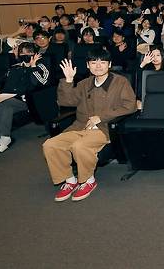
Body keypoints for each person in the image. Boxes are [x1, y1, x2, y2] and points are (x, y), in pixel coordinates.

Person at [42, 48, 136, 201]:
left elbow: (130, 106)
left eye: (102, 62)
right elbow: (66, 101)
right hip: (79, 126)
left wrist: (102, 117)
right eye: (94, 62)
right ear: (88, 65)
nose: (98, 66)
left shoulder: (120, 82)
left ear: (109, 64)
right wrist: (68, 81)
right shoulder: (84, 83)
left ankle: (88, 180)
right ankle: (70, 180)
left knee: (79, 146)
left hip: (102, 129)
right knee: (51, 145)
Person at [0, 42, 50, 153]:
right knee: (5, 104)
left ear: (35, 54)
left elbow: (42, 82)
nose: (25, 55)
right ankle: (1, 134)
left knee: (5, 103)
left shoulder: (41, 66)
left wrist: (33, 66)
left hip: (29, 102)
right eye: (22, 52)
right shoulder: (15, 67)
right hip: (10, 99)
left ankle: (5, 138)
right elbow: (3, 82)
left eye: (29, 52)